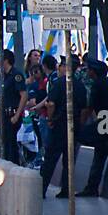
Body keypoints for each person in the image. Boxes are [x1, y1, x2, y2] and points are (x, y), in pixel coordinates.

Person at [76, 56, 108, 197]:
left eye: (89, 69)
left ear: (93, 72)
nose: (87, 71)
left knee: (99, 154)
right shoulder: (107, 83)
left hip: (105, 121)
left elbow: (90, 107)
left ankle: (92, 187)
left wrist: (80, 124)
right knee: (99, 152)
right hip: (107, 120)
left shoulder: (98, 84)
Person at [39, 55, 80, 198]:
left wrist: (50, 119)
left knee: (50, 160)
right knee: (69, 162)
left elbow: (50, 103)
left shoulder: (60, 83)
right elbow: (86, 107)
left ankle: (41, 189)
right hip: (73, 128)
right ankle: (66, 190)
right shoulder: (79, 84)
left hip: (58, 126)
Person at [0, 50, 27, 164]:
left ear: (5, 60)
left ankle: (14, 165)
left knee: (11, 144)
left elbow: (24, 95)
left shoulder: (16, 75)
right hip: (4, 114)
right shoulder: (3, 76)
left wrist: (17, 115)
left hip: (12, 114)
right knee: (5, 143)